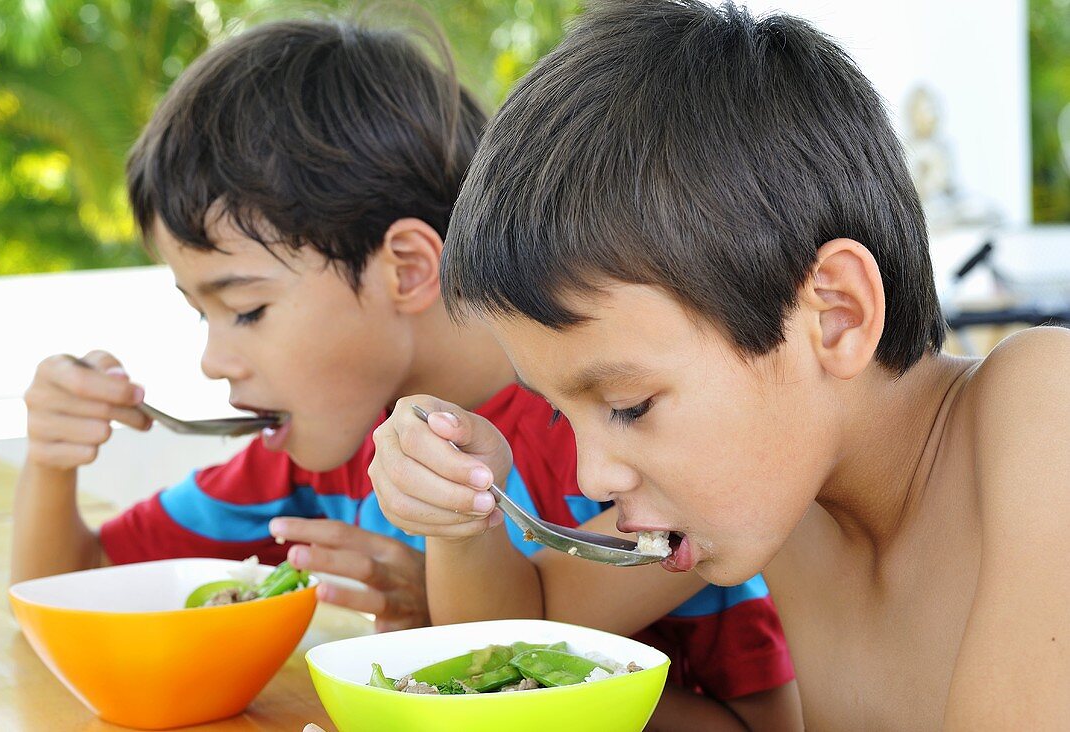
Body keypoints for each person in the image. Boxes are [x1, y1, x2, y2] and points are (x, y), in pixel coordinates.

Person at [9, 13, 799, 730]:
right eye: (200, 314)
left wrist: (447, 607)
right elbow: (72, 598)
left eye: (245, 310)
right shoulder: (325, 453)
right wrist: (51, 459)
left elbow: (766, 716)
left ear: (409, 267)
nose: (214, 360)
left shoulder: (618, 441)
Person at [368, 1, 1070, 728]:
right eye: (558, 412)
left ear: (836, 316)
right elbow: (527, 638)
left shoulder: (1044, 408)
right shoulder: (788, 493)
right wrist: (459, 512)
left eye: (629, 404)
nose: (591, 477)